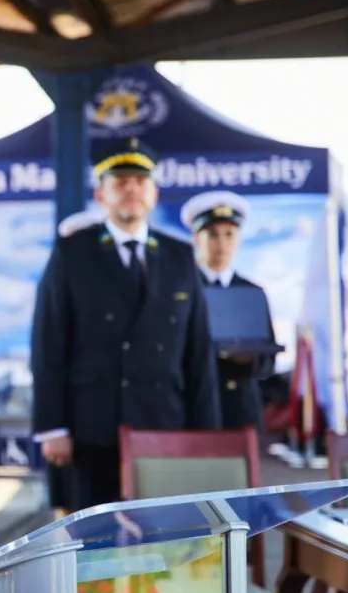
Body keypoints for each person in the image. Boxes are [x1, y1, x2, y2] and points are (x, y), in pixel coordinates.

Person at [30, 138, 220, 512]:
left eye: (140, 182)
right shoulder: (73, 253)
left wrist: (205, 435)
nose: (131, 189)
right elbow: (48, 342)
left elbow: (198, 352)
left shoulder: (181, 256)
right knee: (95, 541)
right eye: (120, 183)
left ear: (154, 194)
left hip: (164, 426)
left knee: (164, 536)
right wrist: (53, 427)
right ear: (101, 195)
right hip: (92, 431)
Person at [180, 190, 277, 431]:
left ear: (239, 238)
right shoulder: (181, 291)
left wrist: (250, 359)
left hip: (241, 408)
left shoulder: (252, 293)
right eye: (212, 235)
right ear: (196, 238)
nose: (221, 244)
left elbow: (268, 360)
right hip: (193, 407)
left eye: (229, 234)